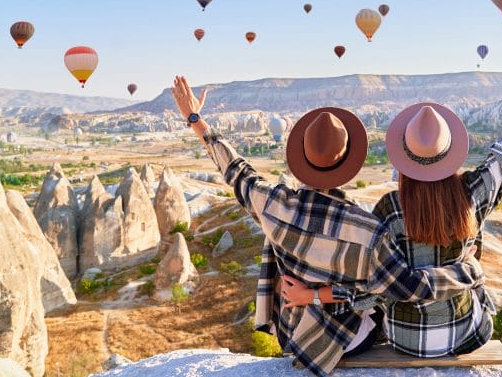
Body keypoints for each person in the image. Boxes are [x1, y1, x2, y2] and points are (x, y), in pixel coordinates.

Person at [170, 77, 485, 376]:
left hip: (293, 333)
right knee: (372, 295)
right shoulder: (367, 231)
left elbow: (236, 170)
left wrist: (195, 118)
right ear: (349, 165)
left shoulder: (274, 205)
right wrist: (467, 269)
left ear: (302, 157)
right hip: (345, 343)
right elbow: (409, 289)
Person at [281, 58, 502, 357]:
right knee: (474, 260)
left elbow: (369, 292)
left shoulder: (388, 210)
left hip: (407, 340)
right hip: (467, 335)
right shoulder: (471, 193)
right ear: (450, 154)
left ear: (403, 161)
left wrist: (309, 296)